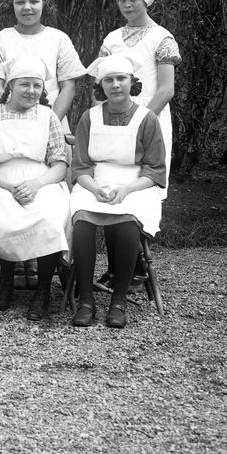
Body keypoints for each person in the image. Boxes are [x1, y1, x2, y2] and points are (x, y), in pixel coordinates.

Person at [67, 53, 167, 329]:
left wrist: (127, 189)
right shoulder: (89, 117)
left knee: (128, 223)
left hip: (136, 184)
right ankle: (86, 300)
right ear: (101, 85)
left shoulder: (147, 118)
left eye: (121, 78)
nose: (115, 85)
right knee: (82, 222)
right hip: (94, 182)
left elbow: (155, 170)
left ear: (132, 82)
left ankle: (118, 302)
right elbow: (80, 167)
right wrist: (94, 189)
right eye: (108, 80)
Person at [0, 56, 71, 320]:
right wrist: (10, 186)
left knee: (49, 216)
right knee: (4, 215)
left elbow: (60, 164)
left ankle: (43, 289)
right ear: (11, 85)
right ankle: (6, 281)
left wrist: (36, 184)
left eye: (37, 85)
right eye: (24, 84)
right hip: (1, 180)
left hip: (43, 179)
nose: (31, 91)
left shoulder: (48, 116)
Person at [98, 0, 180, 200]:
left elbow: (166, 89)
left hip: (149, 115)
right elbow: (99, 85)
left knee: (147, 179)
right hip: (113, 115)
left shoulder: (161, 38)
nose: (127, 5)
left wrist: (140, 122)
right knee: (113, 176)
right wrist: (100, 117)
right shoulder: (111, 39)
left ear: (146, 0)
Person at [0, 0, 85, 134]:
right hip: (10, 126)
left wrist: (50, 124)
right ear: (12, 5)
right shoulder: (0, 39)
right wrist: (12, 118)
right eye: (20, 2)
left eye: (34, 1)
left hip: (53, 124)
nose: (27, 7)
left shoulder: (59, 39)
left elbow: (68, 87)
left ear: (44, 4)